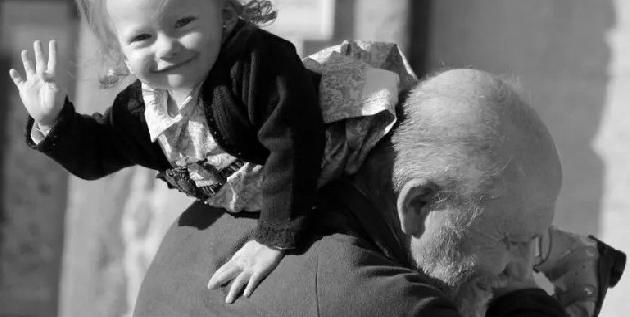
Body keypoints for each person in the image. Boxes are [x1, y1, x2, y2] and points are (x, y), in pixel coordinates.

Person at [7, 0, 405, 304]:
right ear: (120, 50)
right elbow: (100, 151)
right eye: (143, 37)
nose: (166, 47)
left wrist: (273, 238)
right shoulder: (142, 109)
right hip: (282, 191)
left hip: (345, 153)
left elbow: (294, 141)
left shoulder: (255, 64)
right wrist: (52, 121)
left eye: (182, 23)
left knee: (401, 211)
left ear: (223, 9)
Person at [133, 68, 624, 317]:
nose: (526, 268)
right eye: (513, 240)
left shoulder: (231, 206)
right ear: (418, 205)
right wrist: (527, 303)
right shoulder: (386, 305)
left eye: (535, 244)